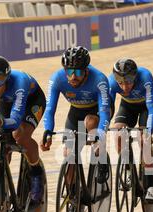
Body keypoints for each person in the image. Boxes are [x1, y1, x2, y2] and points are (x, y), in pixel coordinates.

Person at [0, 55, 46, 203]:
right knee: (0, 143)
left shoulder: (20, 82)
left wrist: (0, 122)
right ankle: (2, 182)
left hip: (32, 101)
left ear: (6, 78)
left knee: (20, 135)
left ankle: (36, 173)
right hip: (7, 102)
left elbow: (15, 120)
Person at [40, 46, 112, 184]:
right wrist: (48, 131)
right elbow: (49, 109)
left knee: (90, 122)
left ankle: (101, 157)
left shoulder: (99, 79)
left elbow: (104, 112)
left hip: (97, 110)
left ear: (86, 70)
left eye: (78, 72)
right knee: (68, 154)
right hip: (76, 111)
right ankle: (73, 197)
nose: (73, 76)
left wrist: (101, 135)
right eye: (70, 71)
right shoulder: (57, 79)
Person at [109, 58, 153, 203]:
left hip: (146, 107)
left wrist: (149, 130)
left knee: (144, 141)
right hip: (128, 106)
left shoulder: (145, 77)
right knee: (118, 135)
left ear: (135, 77)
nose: (125, 87)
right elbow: (108, 107)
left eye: (129, 82)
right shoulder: (111, 82)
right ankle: (130, 170)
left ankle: (151, 185)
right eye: (121, 83)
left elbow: (152, 108)